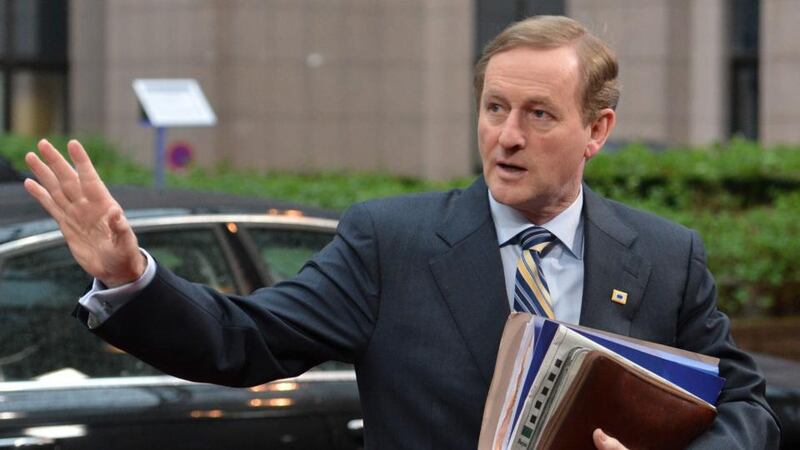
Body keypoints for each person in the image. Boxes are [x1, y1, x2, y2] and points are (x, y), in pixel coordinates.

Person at [24, 15, 779, 450]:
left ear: (597, 130)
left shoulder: (666, 254)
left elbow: (746, 407)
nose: (506, 136)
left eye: (538, 114)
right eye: (494, 108)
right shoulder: (394, 242)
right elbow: (241, 340)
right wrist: (130, 278)